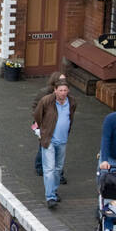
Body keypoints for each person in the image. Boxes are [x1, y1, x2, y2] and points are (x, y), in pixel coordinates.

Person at [33, 79, 76, 209]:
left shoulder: (72, 102)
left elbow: (70, 117)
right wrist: (42, 131)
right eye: (60, 90)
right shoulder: (46, 101)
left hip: (63, 140)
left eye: (65, 90)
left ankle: (54, 190)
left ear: (68, 91)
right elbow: (37, 115)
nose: (63, 93)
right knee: (49, 169)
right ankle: (50, 197)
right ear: (55, 90)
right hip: (49, 140)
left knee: (58, 168)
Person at [31, 71, 66, 178]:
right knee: (46, 145)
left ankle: (54, 170)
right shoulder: (44, 93)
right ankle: (41, 167)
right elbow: (35, 108)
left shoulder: (64, 93)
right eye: (61, 80)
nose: (64, 82)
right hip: (45, 124)